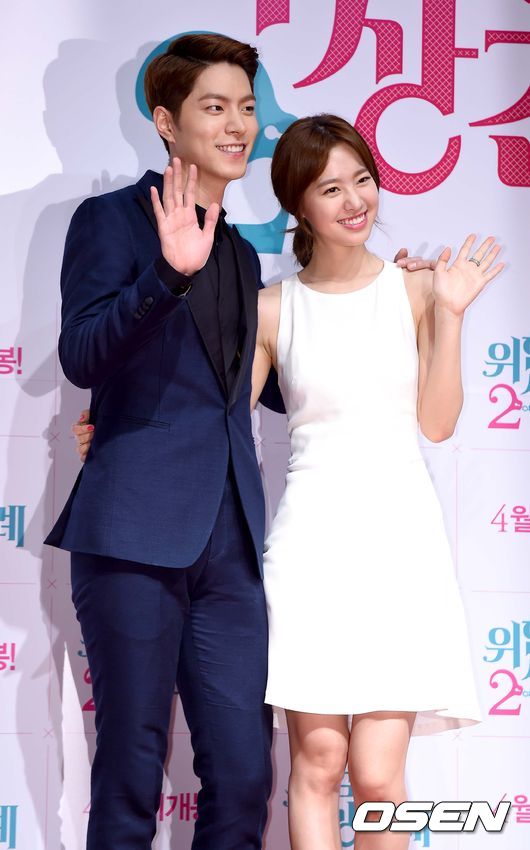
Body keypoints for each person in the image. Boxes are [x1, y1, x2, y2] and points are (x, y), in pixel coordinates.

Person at [62, 32, 444, 850]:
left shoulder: (239, 255)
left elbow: (273, 386)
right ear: (167, 122)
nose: (237, 124)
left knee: (244, 778)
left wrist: (374, 305)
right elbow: (83, 353)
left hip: (232, 548)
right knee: (131, 765)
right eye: (215, 107)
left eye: (245, 107)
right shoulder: (110, 222)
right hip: (133, 531)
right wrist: (166, 274)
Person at [249, 115, 501, 850]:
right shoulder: (273, 308)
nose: (355, 200)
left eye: (362, 179)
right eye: (331, 188)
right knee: (318, 764)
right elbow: (218, 425)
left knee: (380, 774)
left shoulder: (415, 289)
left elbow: (438, 422)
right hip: (310, 547)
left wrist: (449, 314)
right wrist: (116, 429)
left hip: (400, 544)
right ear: (298, 205)